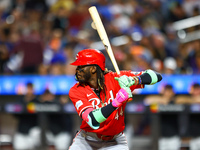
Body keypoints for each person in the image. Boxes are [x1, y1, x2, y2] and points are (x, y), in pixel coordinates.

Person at [68, 49, 162, 150]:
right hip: (87, 140)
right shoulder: (76, 90)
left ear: (93, 69)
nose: (77, 70)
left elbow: (156, 76)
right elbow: (93, 119)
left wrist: (133, 80)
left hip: (115, 141)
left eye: (81, 66)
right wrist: (116, 102)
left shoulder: (116, 78)